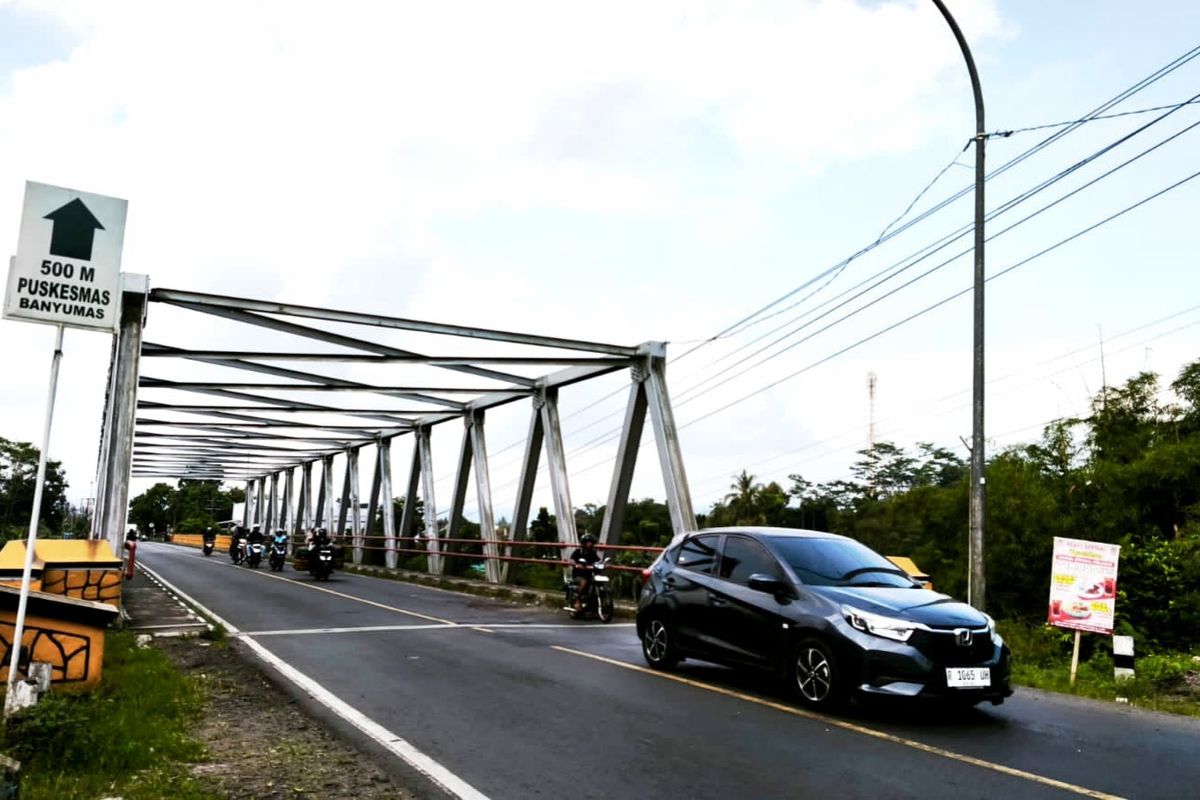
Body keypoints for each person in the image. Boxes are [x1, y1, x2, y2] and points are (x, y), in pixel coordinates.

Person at [568, 534, 602, 612]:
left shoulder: (592, 553)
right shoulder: (578, 552)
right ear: (583, 543)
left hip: (589, 574)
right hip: (578, 575)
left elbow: (598, 560)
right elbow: (572, 560)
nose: (590, 544)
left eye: (591, 542)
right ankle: (577, 599)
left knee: (597, 582)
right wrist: (576, 564)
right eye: (588, 542)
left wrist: (602, 563)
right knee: (584, 582)